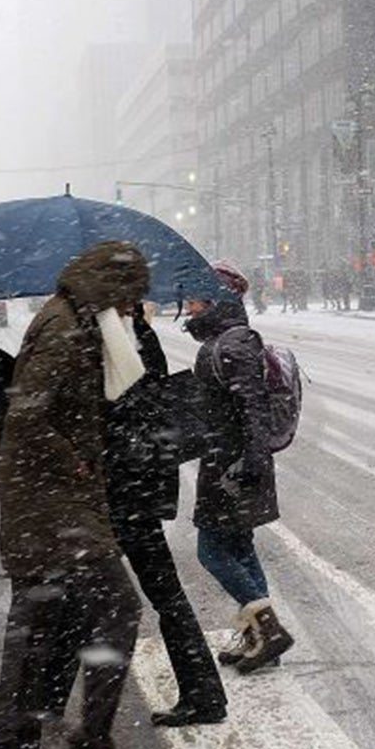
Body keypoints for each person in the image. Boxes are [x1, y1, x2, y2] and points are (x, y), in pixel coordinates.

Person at [0, 241, 159, 749]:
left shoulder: (77, 319)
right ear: (111, 288)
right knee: (116, 610)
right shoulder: (65, 328)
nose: (134, 311)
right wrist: (75, 461)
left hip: (45, 504)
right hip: (53, 508)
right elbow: (28, 414)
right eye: (131, 299)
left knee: (34, 635)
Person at [107, 305, 228, 727]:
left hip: (122, 487)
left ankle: (47, 703)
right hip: (135, 485)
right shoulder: (133, 333)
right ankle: (204, 691)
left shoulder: (121, 339)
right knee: (163, 594)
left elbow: (125, 410)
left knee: (84, 598)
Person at [185, 262, 295, 674]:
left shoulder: (232, 343)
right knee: (239, 548)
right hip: (230, 459)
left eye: (197, 298)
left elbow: (252, 407)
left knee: (212, 551)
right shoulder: (223, 340)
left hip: (232, 465)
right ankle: (259, 639)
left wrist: (249, 460)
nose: (190, 307)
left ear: (217, 300)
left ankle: (268, 631)